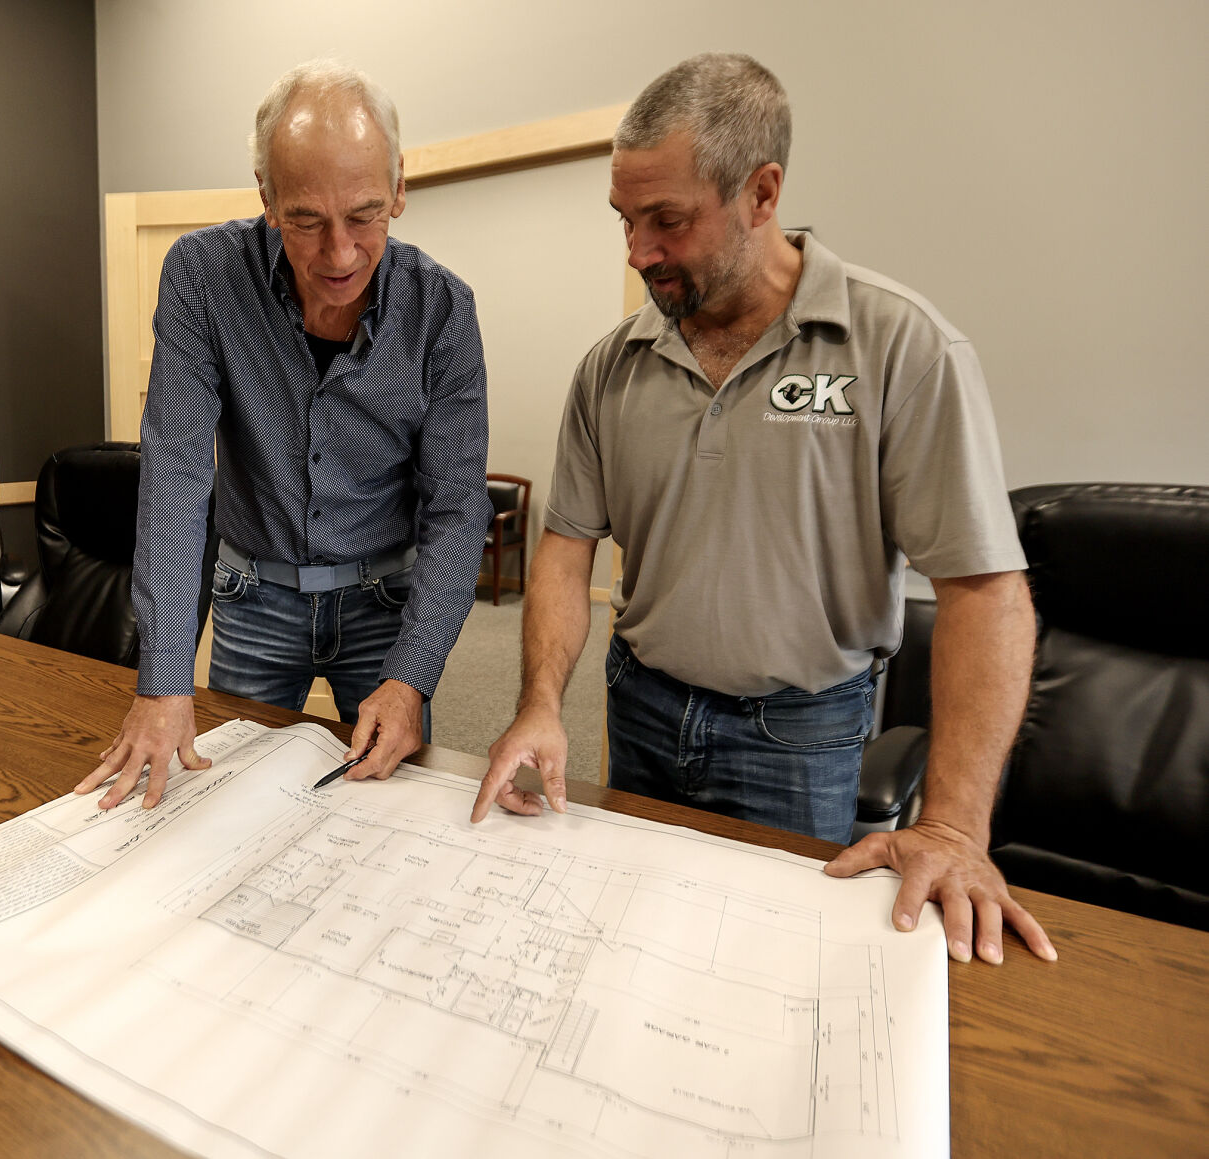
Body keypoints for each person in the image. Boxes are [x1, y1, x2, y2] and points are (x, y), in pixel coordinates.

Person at [474, 53, 1055, 967]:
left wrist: (949, 825)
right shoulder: (610, 366)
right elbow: (564, 547)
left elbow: (984, 589)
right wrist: (541, 702)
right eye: (627, 220)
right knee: (632, 951)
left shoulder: (900, 346)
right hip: (642, 707)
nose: (638, 251)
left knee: (771, 970)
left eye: (668, 220)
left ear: (762, 192)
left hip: (801, 736)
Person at [78, 61, 490, 812]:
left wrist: (413, 675)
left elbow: (458, 508)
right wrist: (165, 676)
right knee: (228, 809)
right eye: (305, 219)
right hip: (253, 595)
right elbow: (175, 470)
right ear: (266, 197)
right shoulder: (202, 277)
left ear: (400, 189)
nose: (338, 255)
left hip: (385, 601)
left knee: (388, 814)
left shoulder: (445, 314)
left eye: (365, 215)